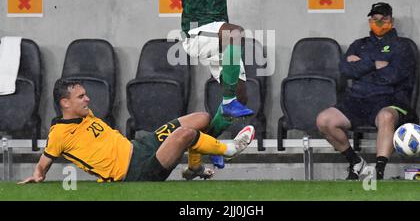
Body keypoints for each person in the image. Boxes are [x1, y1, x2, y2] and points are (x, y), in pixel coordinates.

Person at [135, 0, 291, 172]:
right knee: (235, 32)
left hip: (219, 36)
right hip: (195, 34)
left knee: (241, 96)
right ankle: (226, 101)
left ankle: (202, 149)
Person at [18, 79, 255, 184]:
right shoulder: (58, 134)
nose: (88, 98)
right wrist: (38, 174)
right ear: (65, 103)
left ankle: (194, 168)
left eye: (85, 94)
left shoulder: (85, 114)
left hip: (140, 146)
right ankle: (229, 149)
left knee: (201, 118)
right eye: (81, 96)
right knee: (184, 134)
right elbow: (45, 159)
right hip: (135, 172)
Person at [316, 2, 416, 180]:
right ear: (370, 20)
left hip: (388, 99)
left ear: (391, 20)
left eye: (383, 19)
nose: (378, 23)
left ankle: (378, 172)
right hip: (357, 99)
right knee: (324, 120)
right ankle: (355, 162)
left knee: (387, 117)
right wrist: (374, 64)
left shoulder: (403, 46)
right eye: (374, 19)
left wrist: (361, 65)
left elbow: (393, 76)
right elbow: (346, 70)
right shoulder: (358, 45)